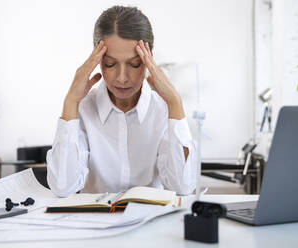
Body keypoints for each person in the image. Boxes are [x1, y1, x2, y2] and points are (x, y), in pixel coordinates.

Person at [46, 5, 196, 197]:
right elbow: (62, 187)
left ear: (149, 59)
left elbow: (182, 187)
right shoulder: (82, 109)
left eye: (134, 64)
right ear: (96, 59)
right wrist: (70, 102)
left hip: (149, 222)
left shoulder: (164, 110)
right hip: (94, 224)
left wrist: (175, 102)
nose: (122, 78)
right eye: (110, 64)